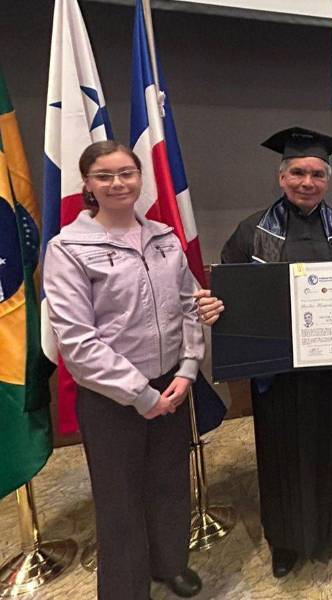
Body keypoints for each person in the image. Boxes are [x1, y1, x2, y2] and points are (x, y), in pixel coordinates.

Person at [195, 127, 332, 578]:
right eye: (298, 172)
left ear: (326, 179)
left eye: (317, 174)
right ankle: (283, 538)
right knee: (281, 452)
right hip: (278, 375)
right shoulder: (251, 233)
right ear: (281, 177)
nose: (307, 181)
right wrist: (217, 306)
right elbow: (234, 302)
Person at [43, 141, 204, 600]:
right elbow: (77, 339)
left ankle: (170, 563)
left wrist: (188, 369)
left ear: (139, 178)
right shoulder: (69, 248)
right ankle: (127, 589)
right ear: (88, 185)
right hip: (113, 396)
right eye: (105, 175)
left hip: (172, 383)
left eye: (127, 173)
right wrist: (141, 395)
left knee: (170, 482)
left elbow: (190, 305)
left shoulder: (164, 238)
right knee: (119, 498)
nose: (118, 183)